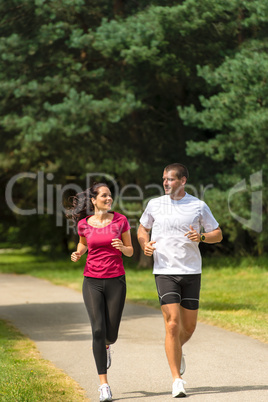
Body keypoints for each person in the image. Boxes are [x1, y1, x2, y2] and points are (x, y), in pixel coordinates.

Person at [137, 163, 222, 398]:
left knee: (190, 327)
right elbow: (142, 229)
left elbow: (218, 234)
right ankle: (177, 380)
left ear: (183, 181)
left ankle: (175, 350)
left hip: (191, 271)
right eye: (164, 179)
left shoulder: (198, 205)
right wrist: (145, 244)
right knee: (172, 324)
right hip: (164, 270)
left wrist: (202, 236)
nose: (166, 183)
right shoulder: (155, 204)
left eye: (171, 179)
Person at [69, 183, 133, 402]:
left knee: (110, 334)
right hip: (92, 281)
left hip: (116, 280)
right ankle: (104, 385)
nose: (109, 198)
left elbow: (131, 250)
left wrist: (122, 249)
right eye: (104, 195)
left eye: (110, 195)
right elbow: (83, 244)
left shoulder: (120, 221)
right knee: (97, 329)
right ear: (94, 200)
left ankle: (106, 346)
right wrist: (77, 254)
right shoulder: (83, 224)